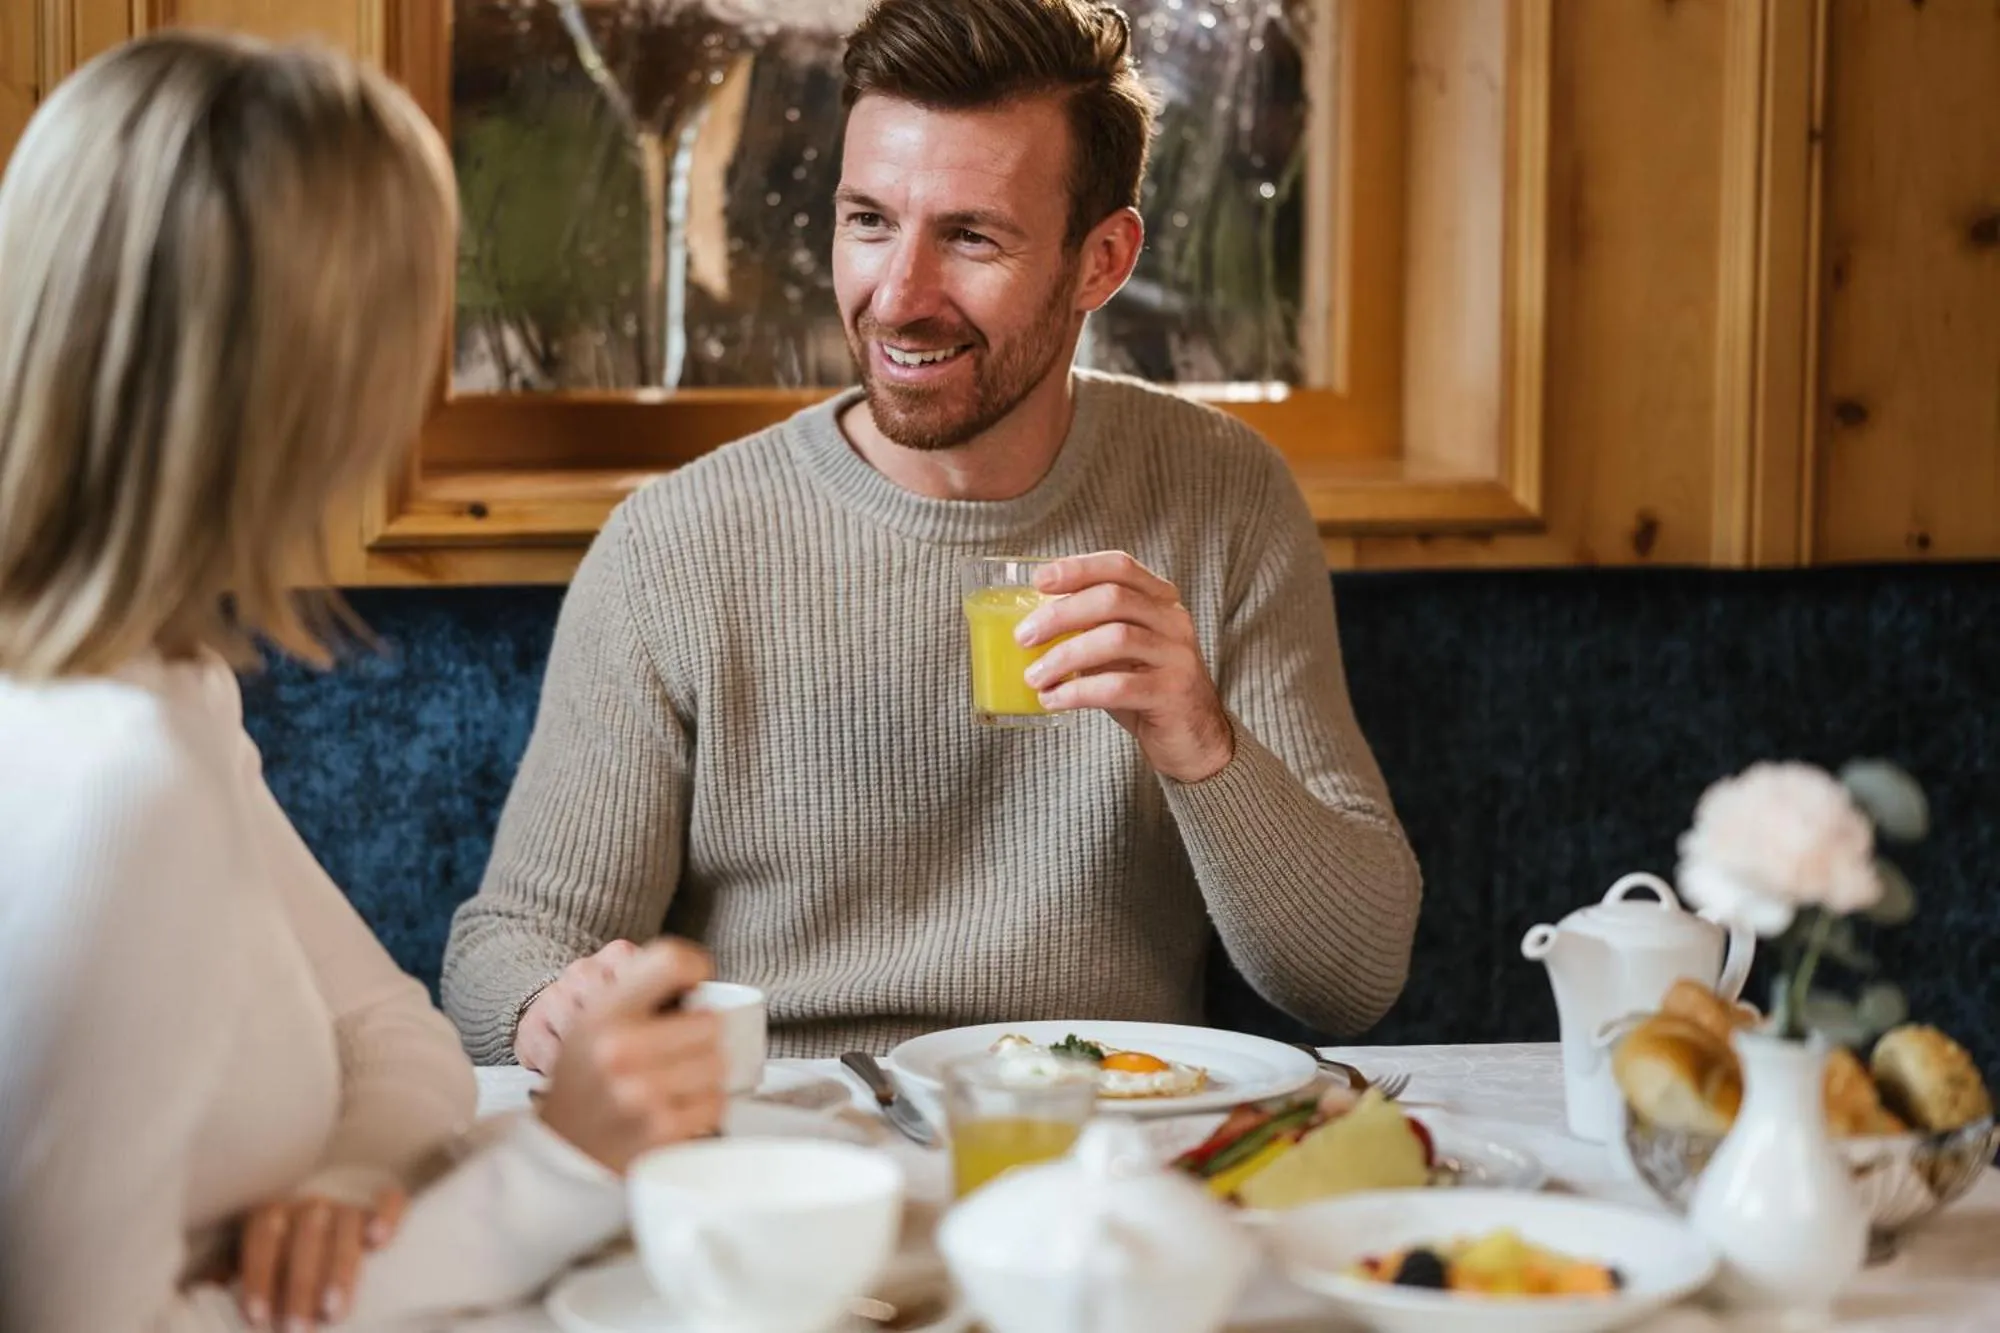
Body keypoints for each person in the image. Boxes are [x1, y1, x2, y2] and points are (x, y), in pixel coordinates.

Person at [442, 0, 1422, 1070]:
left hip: (1097, 1141)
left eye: (969, 237)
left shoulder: (1220, 496)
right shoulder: (674, 544)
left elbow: (1351, 979)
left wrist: (1200, 743)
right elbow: (509, 947)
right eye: (868, 222)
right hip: (793, 1149)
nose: (898, 297)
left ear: (1100, 261)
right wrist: (549, 1005)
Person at [0, 32, 727, 1333]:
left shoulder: (161, 688)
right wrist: (552, 1179)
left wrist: (348, 1177)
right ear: (303, 390)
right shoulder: (116, 781)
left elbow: (394, 1029)